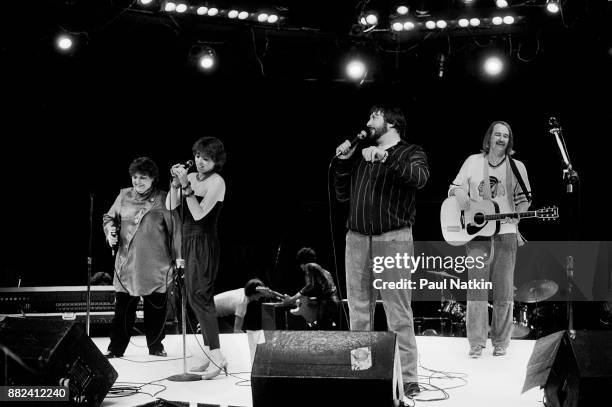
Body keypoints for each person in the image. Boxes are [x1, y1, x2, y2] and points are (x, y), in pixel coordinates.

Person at [334, 105, 429, 399]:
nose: (367, 122)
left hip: (393, 238)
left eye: (373, 117)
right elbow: (343, 196)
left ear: (391, 122)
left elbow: (420, 178)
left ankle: (409, 378)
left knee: (397, 312)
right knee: (359, 309)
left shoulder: (410, 151)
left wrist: (386, 157)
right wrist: (342, 164)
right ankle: (361, 372)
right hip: (357, 238)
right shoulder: (362, 155)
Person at [448, 120, 531, 358]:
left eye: (506, 135)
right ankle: (476, 343)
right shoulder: (473, 162)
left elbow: (526, 199)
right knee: (476, 290)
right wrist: (460, 193)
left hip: (505, 234)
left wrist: (518, 215)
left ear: (509, 141)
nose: (502, 139)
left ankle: (501, 342)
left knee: (504, 291)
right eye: (498, 134)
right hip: (477, 236)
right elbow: (453, 188)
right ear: (489, 138)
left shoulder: (517, 166)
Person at [103, 157, 180, 358]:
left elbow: (176, 230)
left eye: (143, 178)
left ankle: (156, 347)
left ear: (153, 179)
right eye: (135, 177)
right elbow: (109, 217)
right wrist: (110, 230)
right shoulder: (123, 196)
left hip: (156, 265)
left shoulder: (164, 199)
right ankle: (116, 348)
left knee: (156, 309)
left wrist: (179, 258)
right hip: (126, 265)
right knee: (122, 311)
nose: (137, 181)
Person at [167, 137, 227, 379]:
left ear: (216, 162)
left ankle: (218, 357)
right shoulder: (190, 178)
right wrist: (175, 183)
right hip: (188, 241)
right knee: (193, 298)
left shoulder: (218, 182)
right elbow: (171, 205)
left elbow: (200, 215)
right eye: (198, 156)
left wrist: (187, 188)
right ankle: (212, 356)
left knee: (201, 297)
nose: (200, 162)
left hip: (204, 242)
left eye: (207, 158)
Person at [283, 247, 340, 330]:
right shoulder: (325, 271)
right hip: (334, 303)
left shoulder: (309, 266)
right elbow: (319, 289)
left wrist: (292, 299)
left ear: (302, 262)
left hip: (326, 304)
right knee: (328, 330)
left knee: (323, 331)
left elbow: (310, 286)